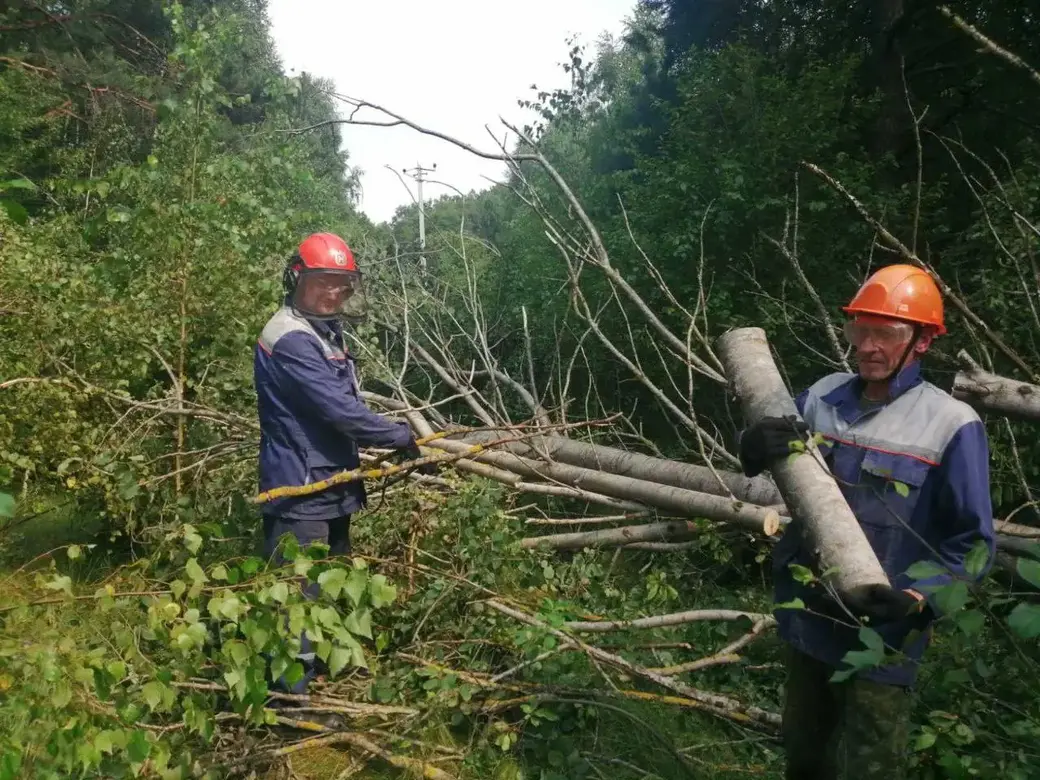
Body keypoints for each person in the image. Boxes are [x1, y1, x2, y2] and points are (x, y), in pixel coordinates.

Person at [737, 264, 994, 780]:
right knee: (805, 759)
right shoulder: (822, 397)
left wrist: (918, 601)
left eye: (887, 333)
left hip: (883, 637)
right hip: (809, 618)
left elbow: (973, 544)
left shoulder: (950, 424)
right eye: (861, 331)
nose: (870, 346)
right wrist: (751, 448)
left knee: (870, 766)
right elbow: (772, 465)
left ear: (922, 341)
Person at [254, 231, 428, 695]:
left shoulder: (322, 329)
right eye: (322, 282)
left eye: (341, 284)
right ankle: (289, 699)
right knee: (297, 600)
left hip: (331, 483)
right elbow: (340, 410)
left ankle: (317, 674)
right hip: (300, 489)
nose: (333, 293)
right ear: (297, 278)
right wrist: (401, 437)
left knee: (330, 585)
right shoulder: (290, 338)